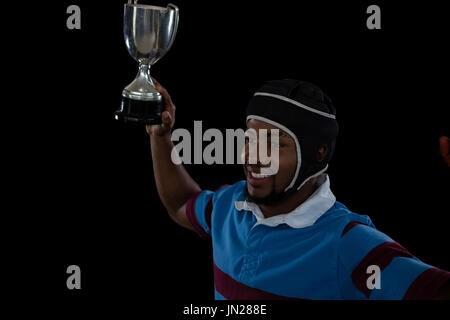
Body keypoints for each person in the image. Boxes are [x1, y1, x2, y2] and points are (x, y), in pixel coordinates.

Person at [146, 78, 450, 300]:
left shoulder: (350, 245)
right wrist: (161, 137)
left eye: (275, 144)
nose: (252, 156)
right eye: (250, 139)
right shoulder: (230, 204)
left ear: (317, 155)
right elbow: (180, 204)